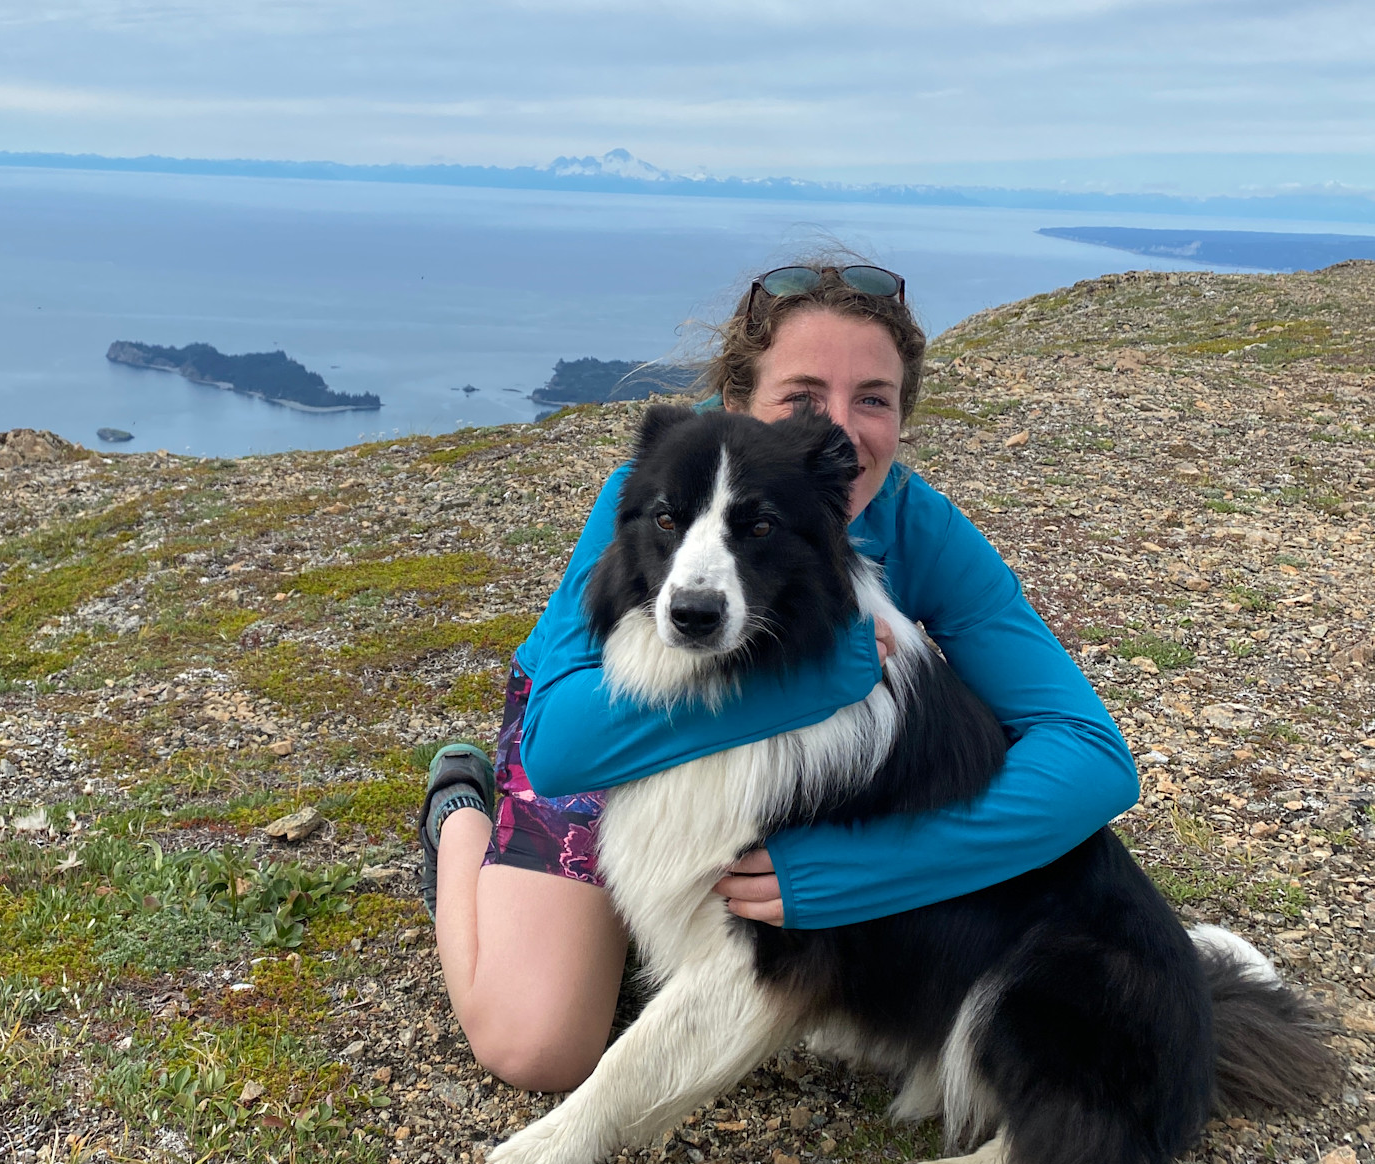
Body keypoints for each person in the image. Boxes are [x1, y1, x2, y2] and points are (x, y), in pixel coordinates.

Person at [418, 258, 1138, 1093]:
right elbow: (564, 746)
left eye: (873, 397)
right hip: (596, 736)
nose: (838, 433)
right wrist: (819, 682)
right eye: (801, 399)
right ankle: (459, 810)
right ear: (735, 405)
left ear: (904, 413)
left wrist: (860, 870)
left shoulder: (917, 522)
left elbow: (1091, 755)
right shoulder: (661, 496)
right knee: (537, 1047)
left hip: (742, 784)